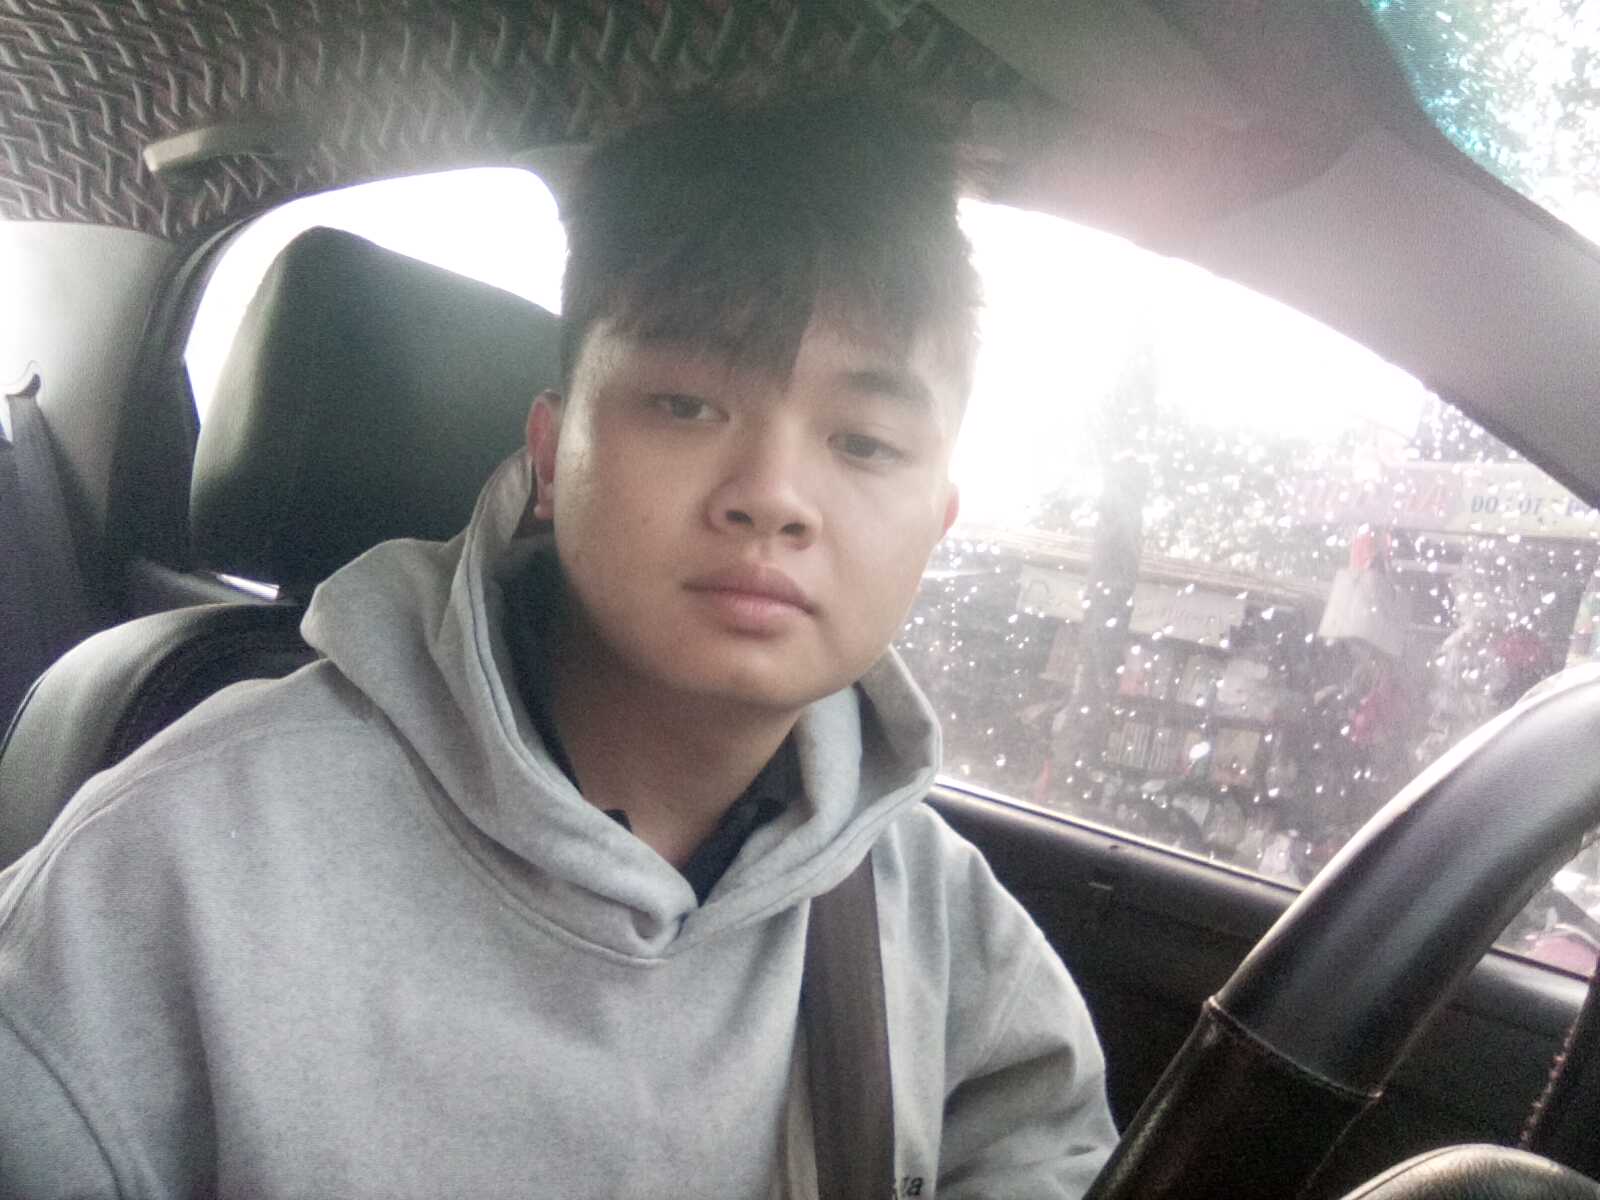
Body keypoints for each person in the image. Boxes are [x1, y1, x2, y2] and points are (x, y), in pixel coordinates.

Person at [0, 87, 1117, 1198]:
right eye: (685, 405)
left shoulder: (936, 920)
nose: (773, 494)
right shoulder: (173, 866)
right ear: (549, 453)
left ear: (937, 522)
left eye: (865, 443)